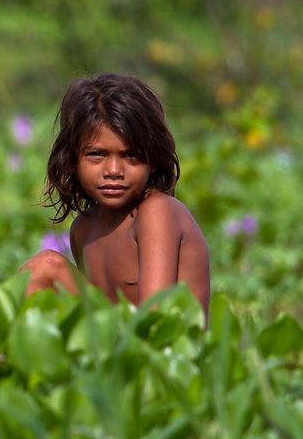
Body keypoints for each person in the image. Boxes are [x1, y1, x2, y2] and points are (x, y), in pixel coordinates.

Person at [20, 74, 210, 313]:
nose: (113, 171)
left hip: (160, 345)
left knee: (49, 266)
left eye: (131, 156)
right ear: (72, 160)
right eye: (97, 155)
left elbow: (156, 320)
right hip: (116, 343)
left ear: (152, 160)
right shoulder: (83, 229)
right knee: (44, 267)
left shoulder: (156, 211)